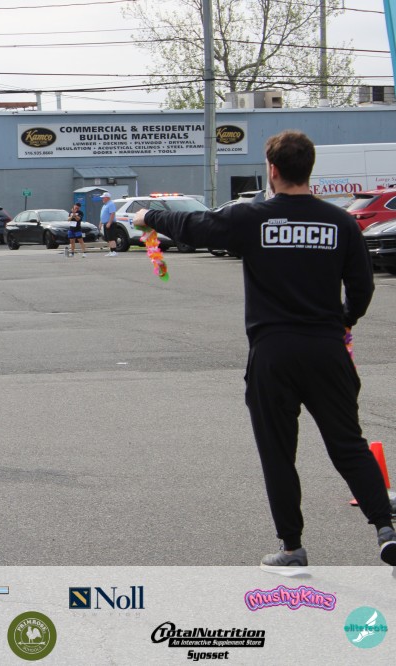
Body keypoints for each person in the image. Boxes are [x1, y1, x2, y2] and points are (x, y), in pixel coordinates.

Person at [132, 129, 396, 572]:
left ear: (272, 170)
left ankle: (292, 548)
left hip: (273, 351)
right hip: (326, 349)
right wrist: (344, 320)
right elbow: (362, 287)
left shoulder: (251, 218)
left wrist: (149, 215)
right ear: (310, 169)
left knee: (278, 452)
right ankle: (385, 530)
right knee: (348, 444)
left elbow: (195, 226)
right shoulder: (341, 222)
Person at [99, 192, 117, 256]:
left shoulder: (111, 204)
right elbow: (103, 215)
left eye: (103, 197)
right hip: (105, 223)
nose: (102, 199)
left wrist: (109, 222)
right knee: (108, 238)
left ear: (107, 198)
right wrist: (101, 223)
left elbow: (112, 214)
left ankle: (114, 251)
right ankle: (111, 251)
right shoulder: (105, 205)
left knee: (111, 238)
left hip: (110, 224)